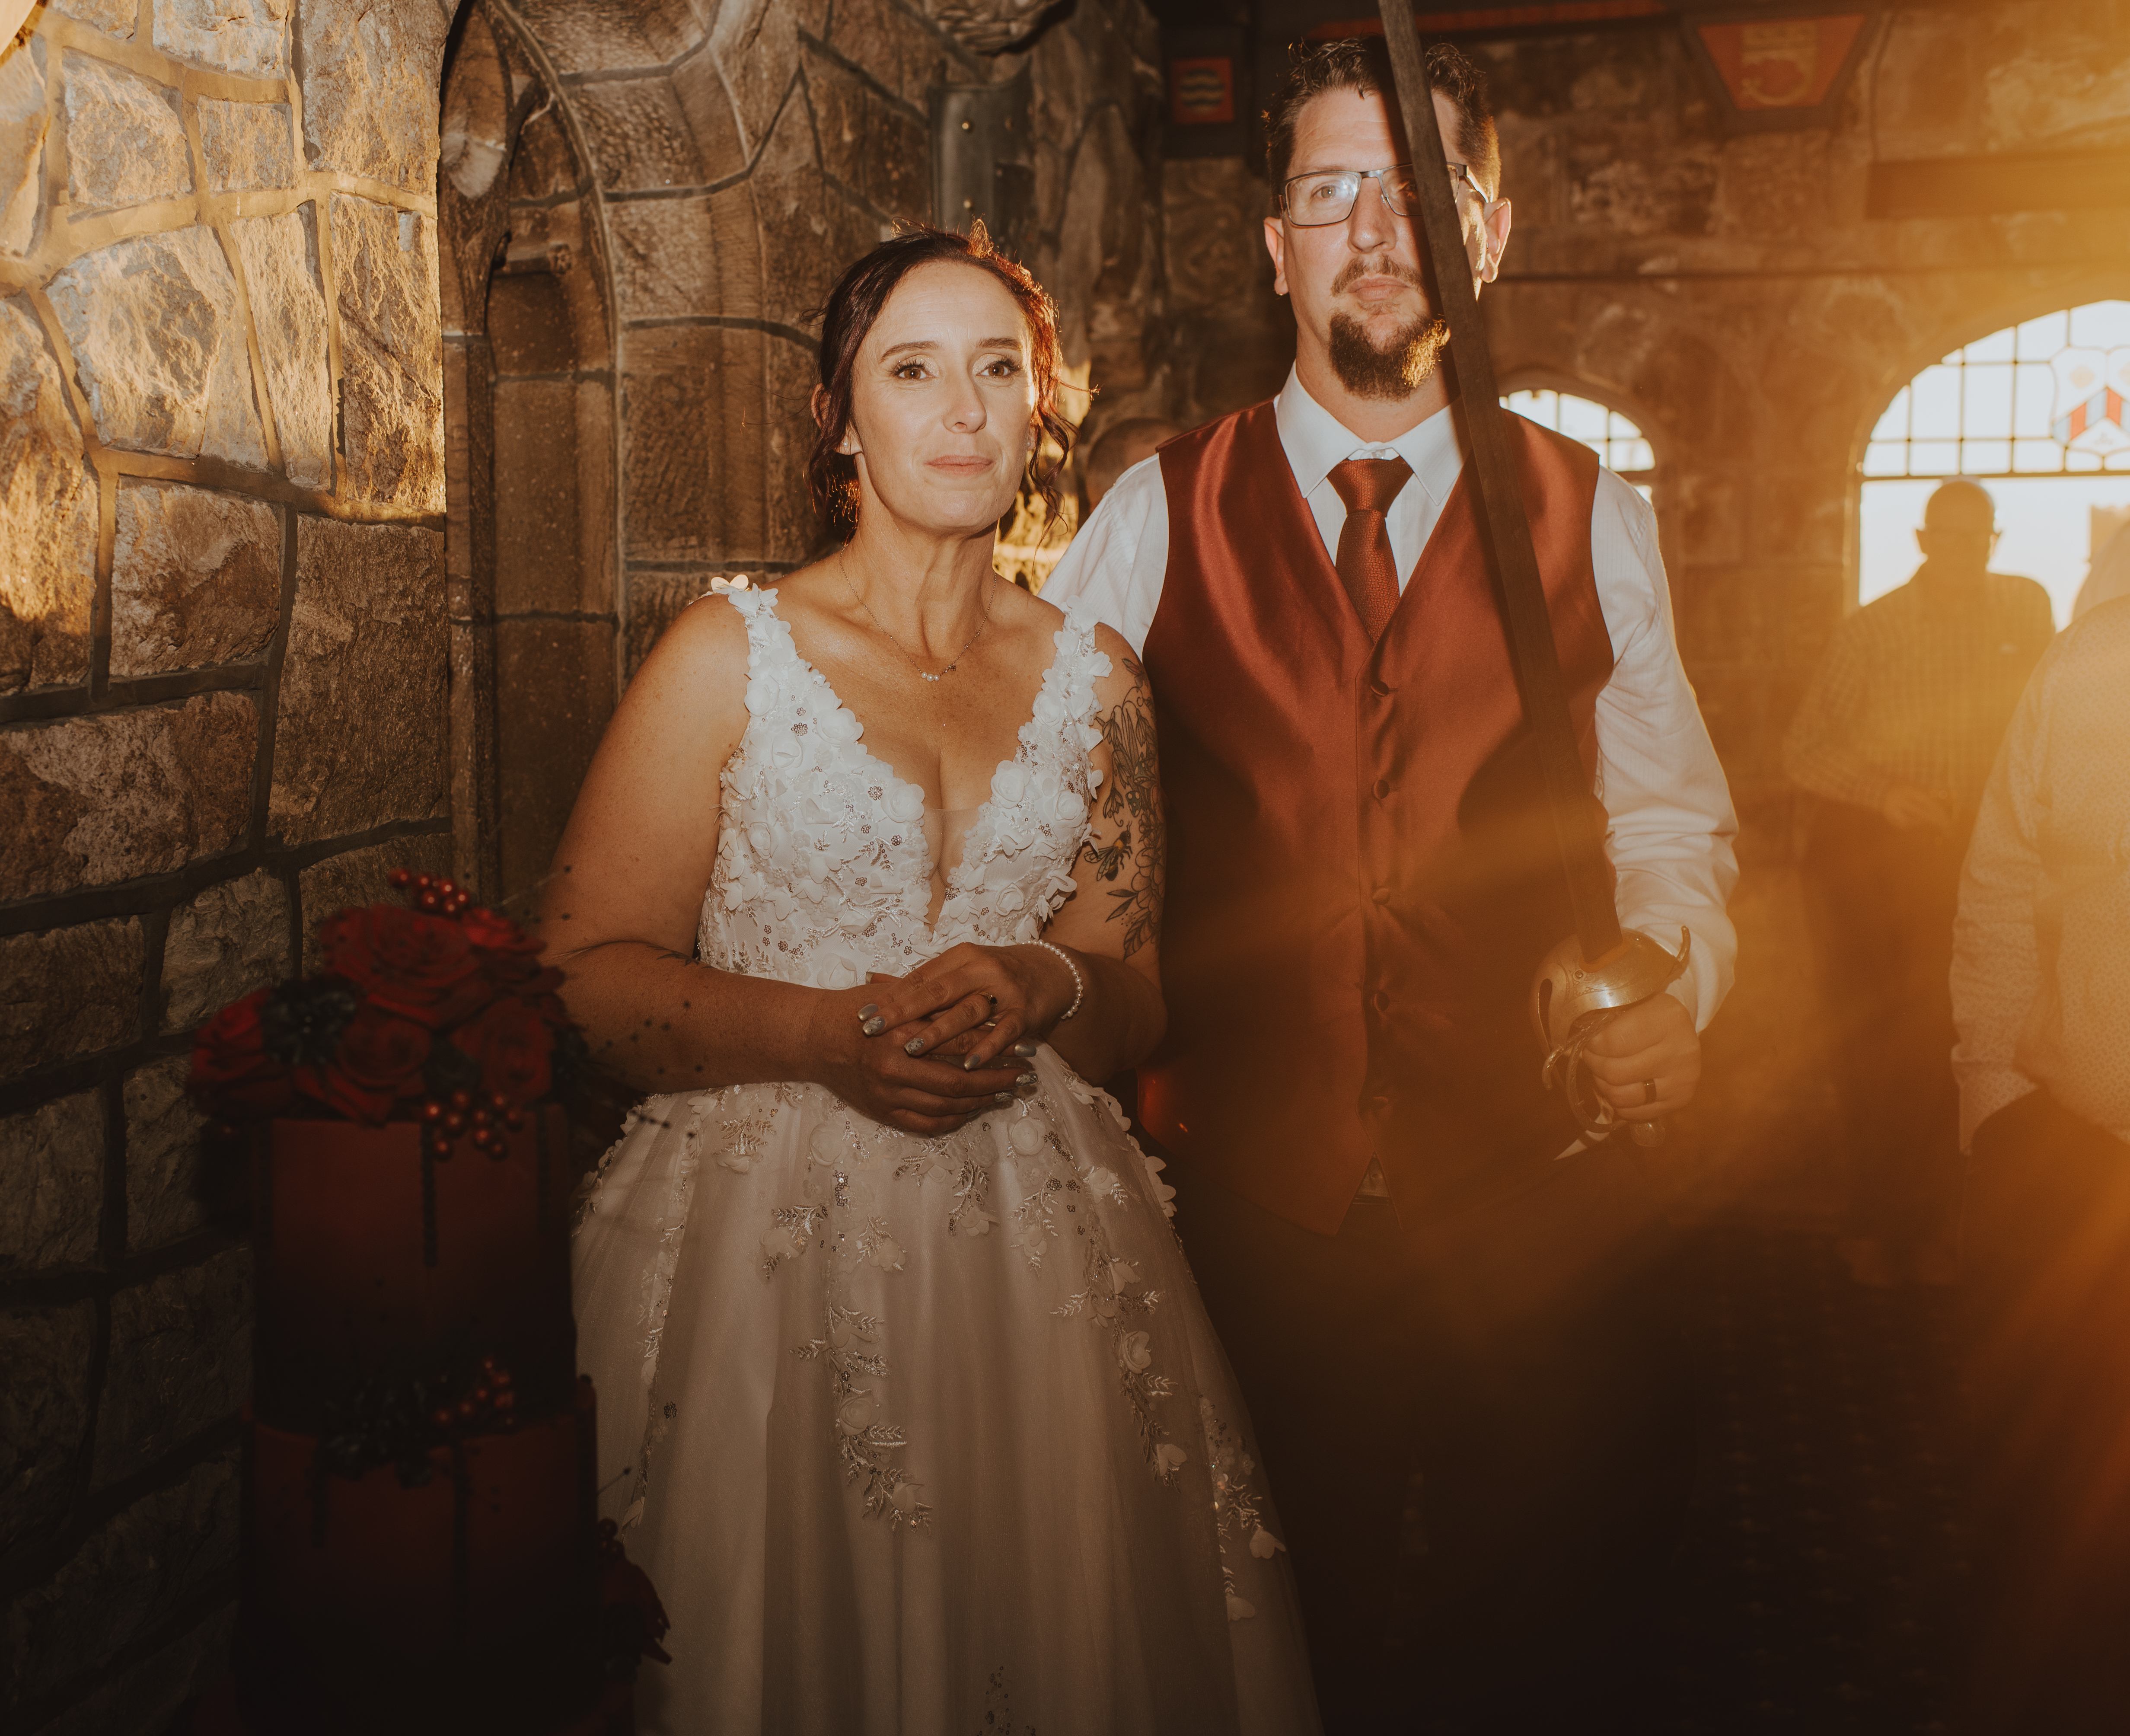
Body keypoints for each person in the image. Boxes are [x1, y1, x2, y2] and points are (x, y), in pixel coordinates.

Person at [1043, 40, 1738, 1734]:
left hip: (1538, 1198)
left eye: (1416, 189)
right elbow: (1039, 841)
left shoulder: (1593, 515)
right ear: (1270, 244)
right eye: (1328, 190)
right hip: (1247, 1222)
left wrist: (1676, 983)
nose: (1374, 228)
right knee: (1271, 1643)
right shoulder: (1146, 520)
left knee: (1548, 1634)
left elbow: (1668, 825)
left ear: (1485, 233)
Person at [546, 227, 1317, 1735]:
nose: (960, 410)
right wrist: (825, 1034)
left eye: (995, 371)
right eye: (911, 370)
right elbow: (580, 974)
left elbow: (1136, 990)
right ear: (839, 417)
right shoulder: (728, 653)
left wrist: (1043, 978)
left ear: (1039, 412)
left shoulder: (1095, 677)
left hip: (1037, 1265)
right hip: (755, 1256)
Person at [1784, 480, 2053, 1287]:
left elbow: (2043, 722)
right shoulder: (1874, 631)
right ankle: (1870, 1226)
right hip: (1873, 863)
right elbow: (1799, 750)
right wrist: (1883, 796)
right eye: (1950, 538)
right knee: (1873, 1048)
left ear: (1995, 542)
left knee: (1954, 1045)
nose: (1965, 553)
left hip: (1972, 860)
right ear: (1922, 539)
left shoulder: (2025, 612)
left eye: (1980, 539)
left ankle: (1938, 1231)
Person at [1949, 595, 2130, 1733]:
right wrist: (1994, 1096)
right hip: (2070, 1162)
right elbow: (2008, 883)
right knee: (2062, 1538)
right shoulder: (2097, 652)